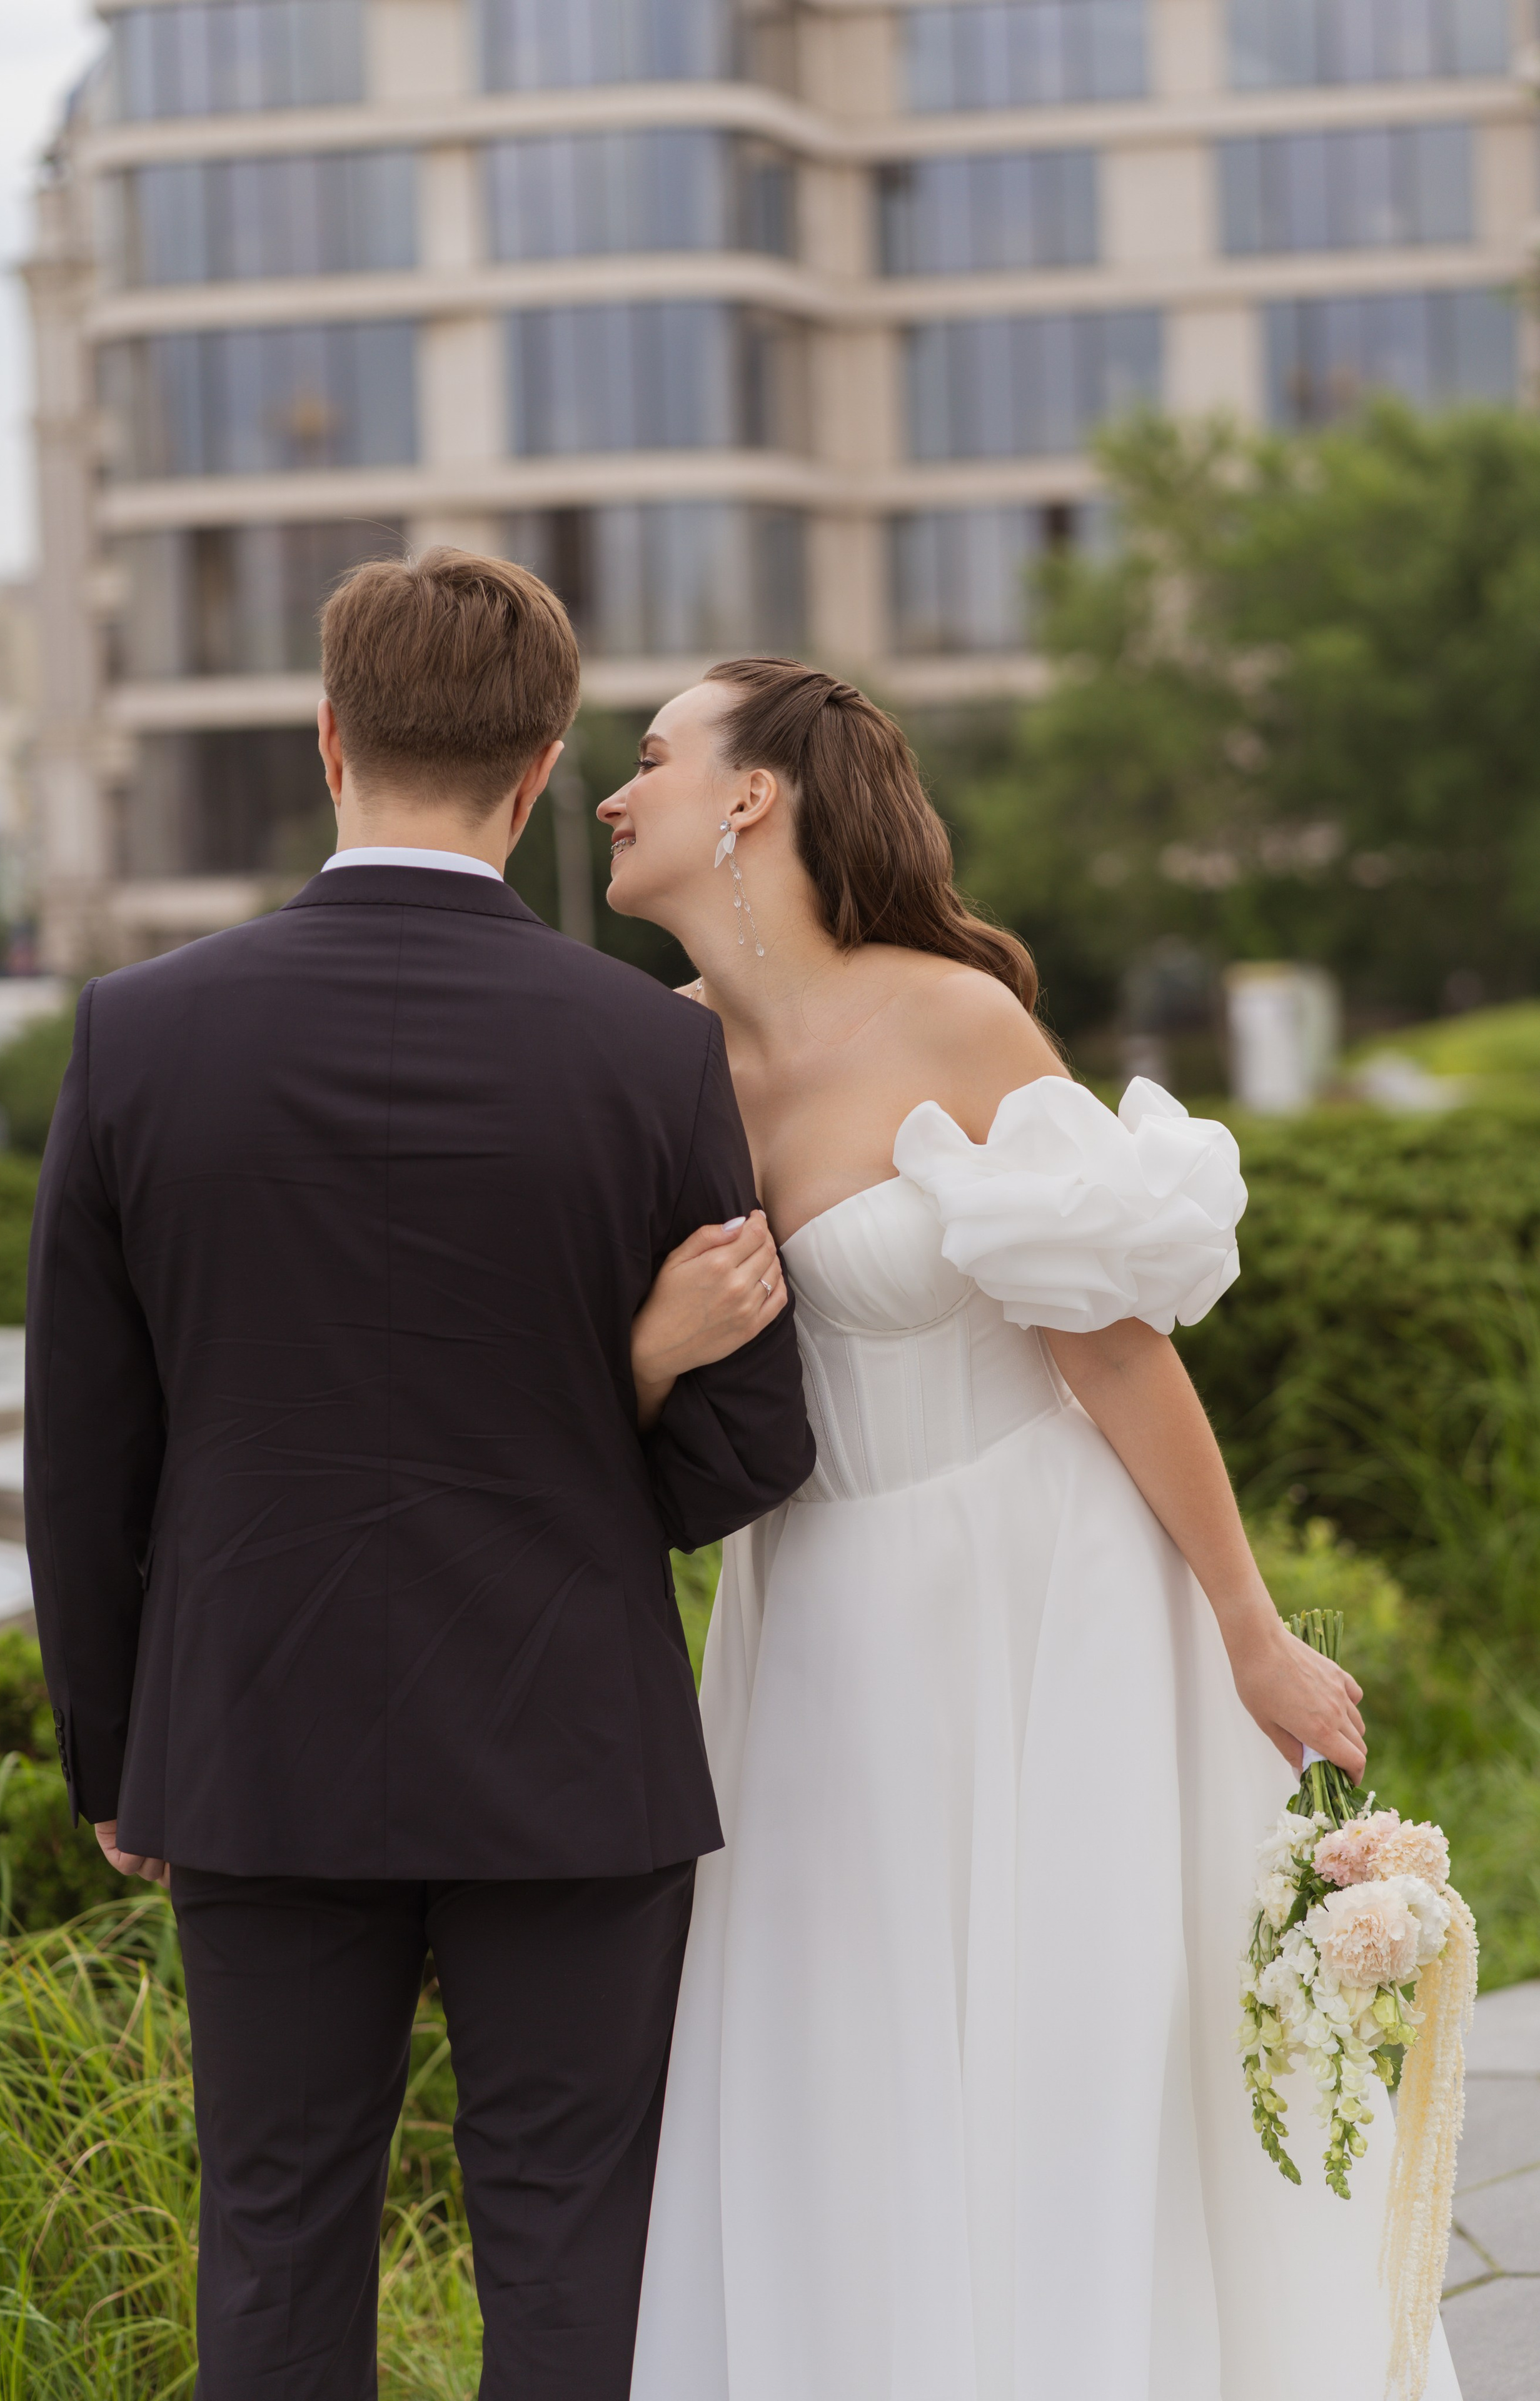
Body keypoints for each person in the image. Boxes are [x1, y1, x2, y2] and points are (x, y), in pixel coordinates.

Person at [599, 658, 1464, 2401]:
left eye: (651, 757)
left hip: (1043, 1592)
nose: (617, 795)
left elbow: (1113, 1347)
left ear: (752, 796)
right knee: (835, 2050)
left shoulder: (954, 1020)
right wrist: (649, 1353)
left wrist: (1251, 1625)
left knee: (1071, 2054)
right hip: (812, 1614)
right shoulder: (652, 1057)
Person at [23, 555, 815, 2401]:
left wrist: (114, 1748)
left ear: (327, 741)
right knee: (567, 2240)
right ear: (542, 771)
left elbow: (85, 1451)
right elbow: (748, 1448)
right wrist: (616, 1381)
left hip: (249, 1731)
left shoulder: (138, 1035)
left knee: (279, 2225)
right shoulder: (648, 1049)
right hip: (569, 1746)